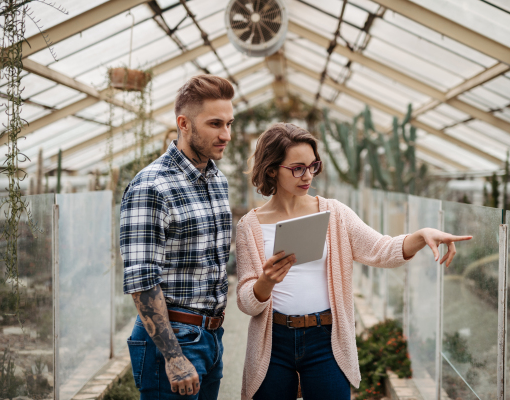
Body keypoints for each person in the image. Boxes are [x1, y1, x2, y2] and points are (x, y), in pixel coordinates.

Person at [236, 123, 472, 400]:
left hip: (327, 340)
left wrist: (420, 236)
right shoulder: (249, 226)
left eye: (313, 166)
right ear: (272, 169)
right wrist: (265, 283)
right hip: (272, 342)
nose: (308, 175)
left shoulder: (334, 214)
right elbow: (245, 301)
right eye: (298, 168)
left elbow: (381, 249)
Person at [120, 75, 235, 399]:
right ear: (183, 123)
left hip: (212, 337)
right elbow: (142, 280)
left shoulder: (217, 181)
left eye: (229, 123)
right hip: (172, 340)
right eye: (215, 124)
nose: (226, 135)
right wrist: (173, 356)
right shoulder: (151, 187)